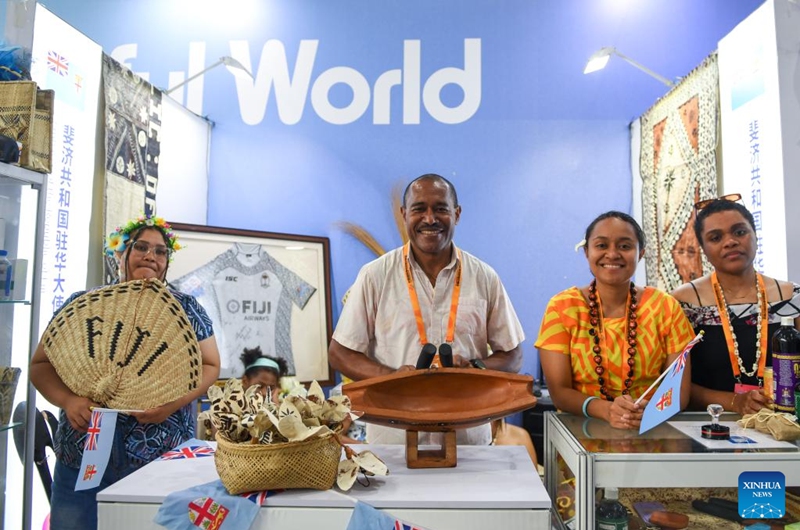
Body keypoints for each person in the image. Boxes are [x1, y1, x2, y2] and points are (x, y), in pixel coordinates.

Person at [30, 215, 221, 530]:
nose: (151, 256)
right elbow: (41, 365)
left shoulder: (187, 309)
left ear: (167, 262)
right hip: (82, 452)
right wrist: (68, 400)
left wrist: (170, 404)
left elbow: (210, 365)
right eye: (141, 247)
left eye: (160, 252)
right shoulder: (83, 305)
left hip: (159, 454)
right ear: (121, 254)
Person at [328, 173, 525, 445]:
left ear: (456, 214)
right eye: (419, 209)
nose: (430, 219)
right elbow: (340, 353)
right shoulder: (375, 275)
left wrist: (475, 367)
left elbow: (513, 355)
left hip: (467, 440)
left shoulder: (484, 277)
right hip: (393, 441)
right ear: (404, 213)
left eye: (441, 209)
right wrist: (391, 377)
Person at [536, 211, 694, 430]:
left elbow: (678, 391)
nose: (612, 254)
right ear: (586, 252)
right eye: (601, 245)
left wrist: (645, 413)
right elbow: (559, 393)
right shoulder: (563, 307)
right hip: (580, 438)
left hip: (652, 432)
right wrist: (606, 410)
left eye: (624, 246)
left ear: (640, 254)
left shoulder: (665, 307)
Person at [671, 195, 800, 416]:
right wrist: (734, 402)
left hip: (782, 426)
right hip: (706, 426)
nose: (730, 241)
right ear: (703, 248)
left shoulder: (791, 297)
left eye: (739, 232)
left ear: (755, 235)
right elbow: (670, 382)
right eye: (715, 237)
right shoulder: (681, 303)